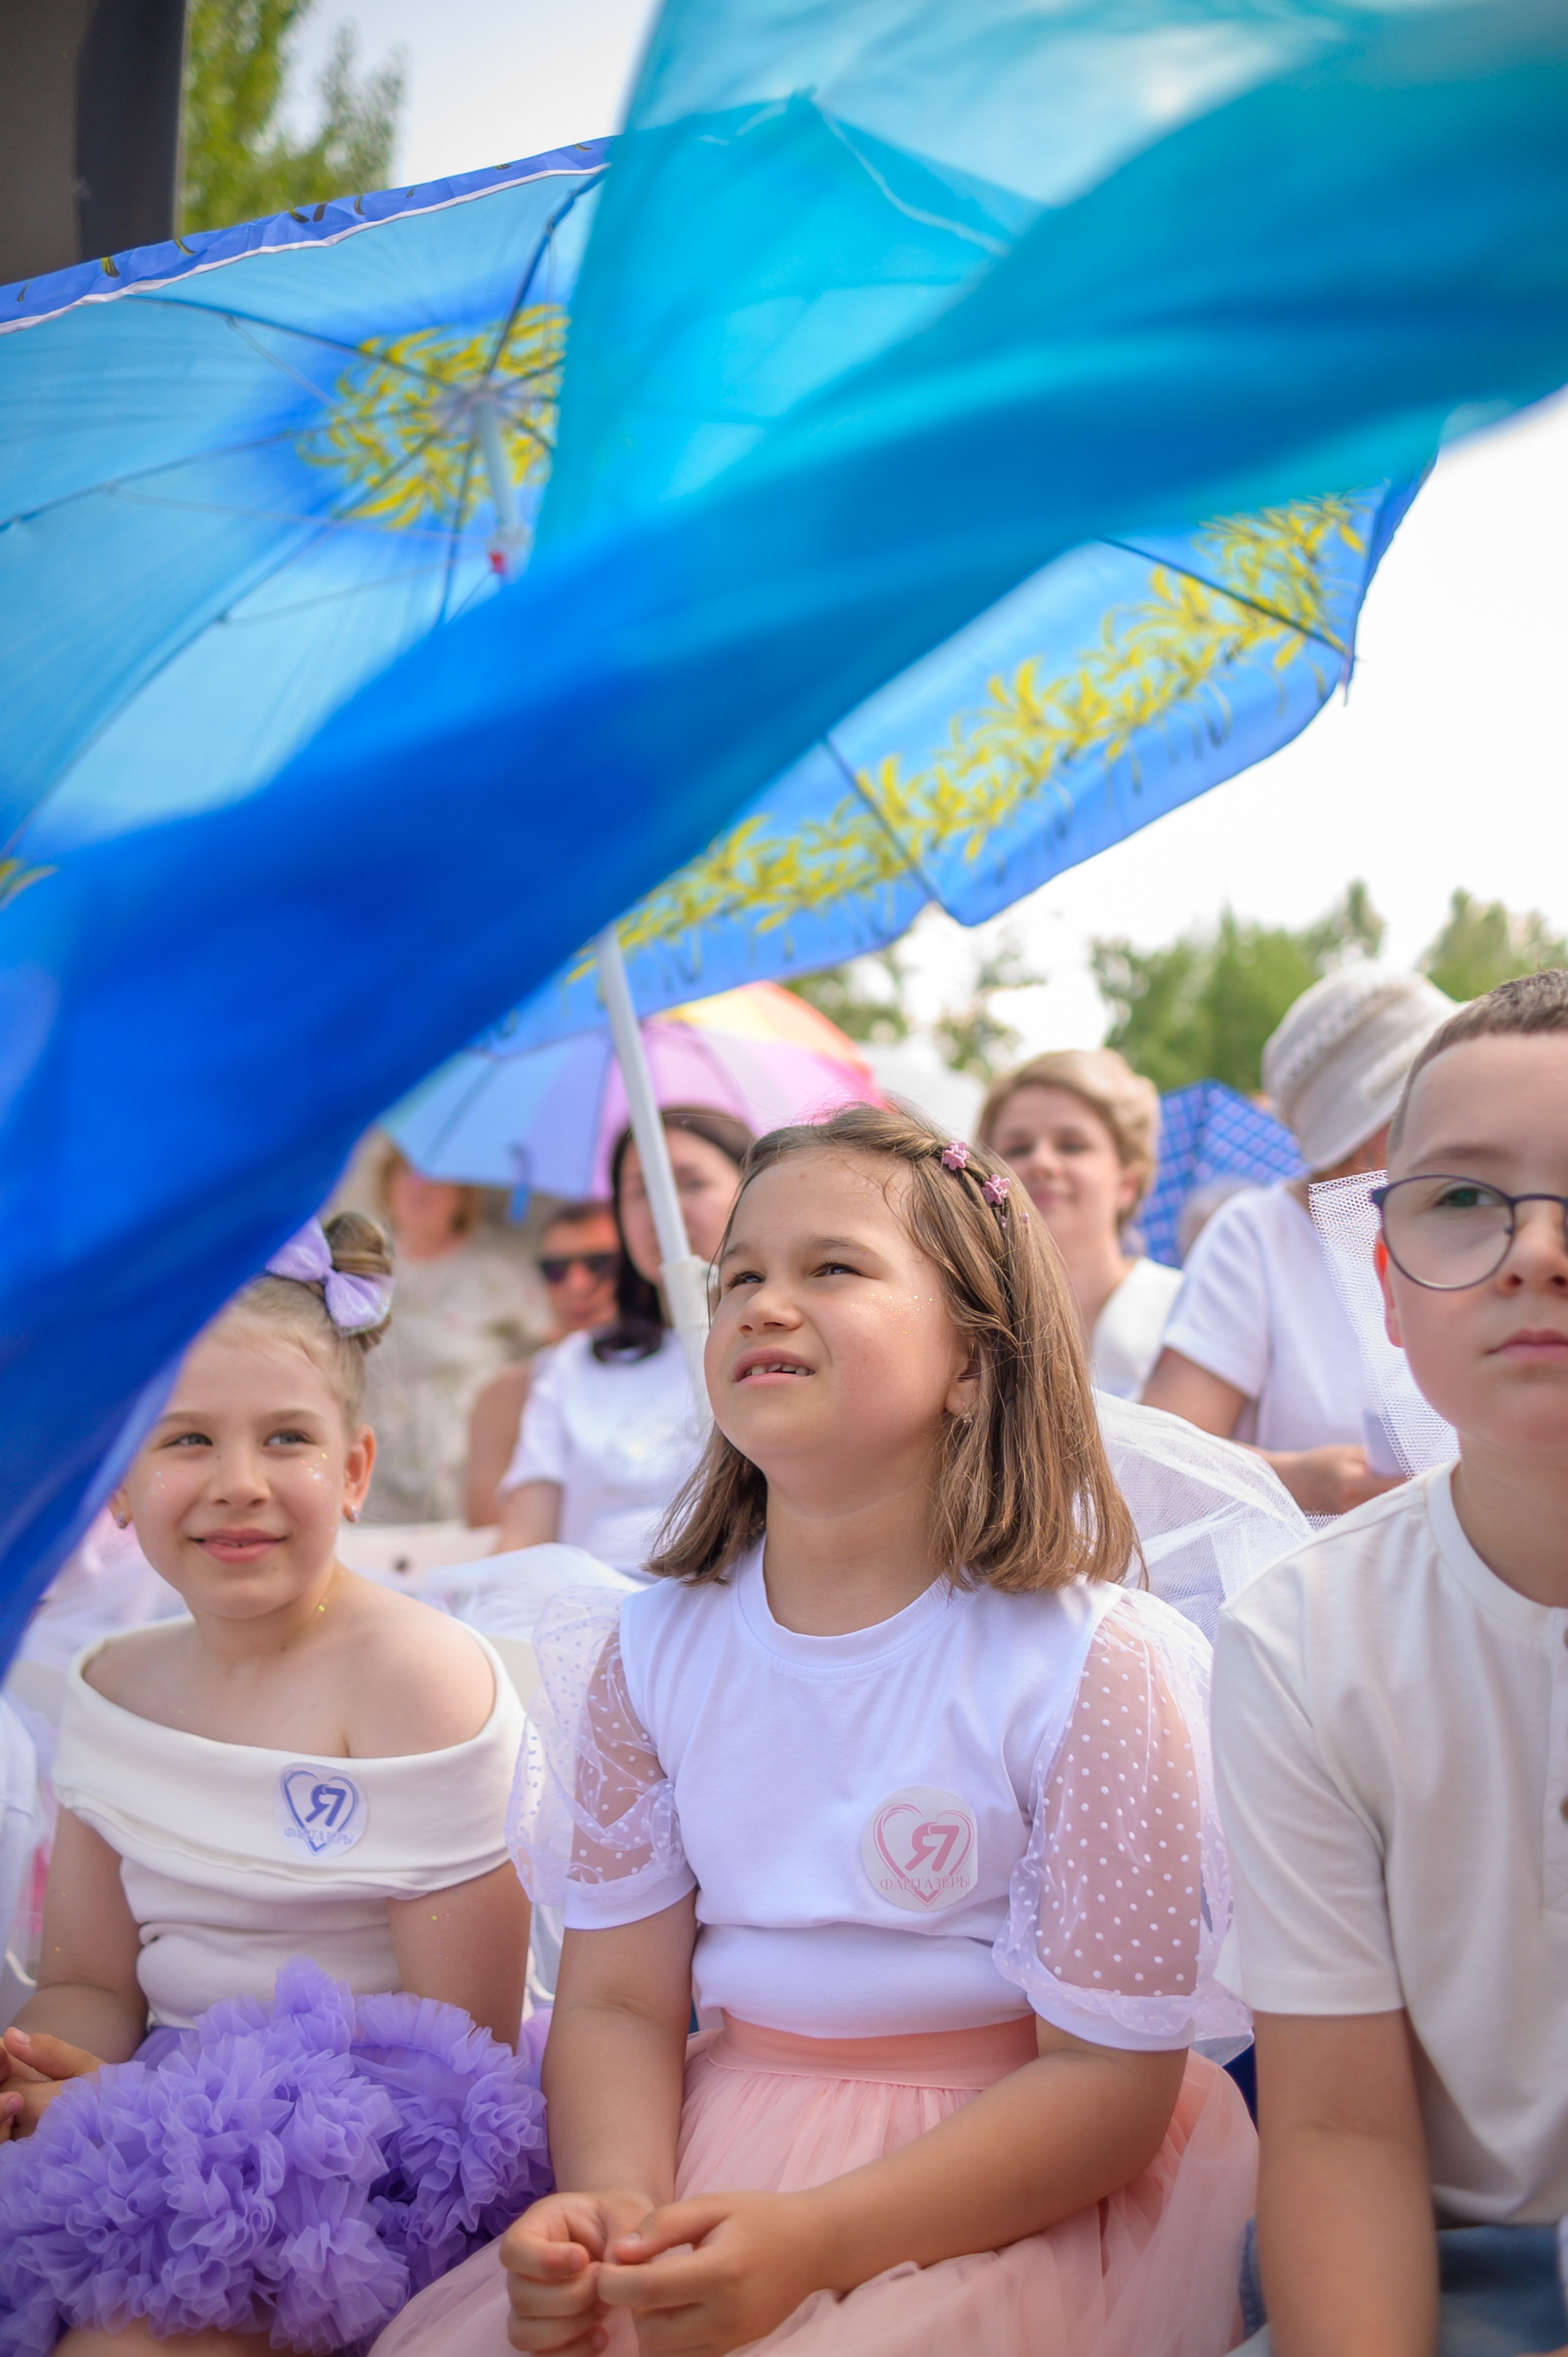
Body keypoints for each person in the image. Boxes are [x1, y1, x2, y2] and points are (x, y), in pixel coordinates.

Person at [374, 1105, 1254, 2357]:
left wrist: (817, 2244)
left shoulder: (1087, 1665)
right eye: (739, 1276)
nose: (762, 1304)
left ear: (970, 1358)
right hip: (711, 2145)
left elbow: (1106, 2086)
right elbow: (622, 2004)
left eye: (829, 1267)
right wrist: (618, 2209)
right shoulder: (645, 1653)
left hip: (1000, 2187)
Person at [0, 1214, 551, 2356]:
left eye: (287, 1439)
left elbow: (460, 2052)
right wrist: (38, 2073)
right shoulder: (117, 1687)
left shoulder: (414, 1680)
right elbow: (95, 1983)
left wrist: (127, 2118)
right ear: (119, 1482)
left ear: (353, 1470)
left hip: (372, 2174)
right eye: (186, 1440)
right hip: (147, 2130)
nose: (237, 1484)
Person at [1212, 969, 1568, 2357]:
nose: (1532, 1249)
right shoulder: (1302, 1635)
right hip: (1448, 2261)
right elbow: (1336, 2119)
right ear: (1386, 1288)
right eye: (1461, 1198)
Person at [1144, 966, 1456, 1515]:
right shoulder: (1259, 1235)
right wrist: (1297, 1480)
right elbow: (1161, 1461)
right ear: (1369, 1131)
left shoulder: (1474, 1222)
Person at [493, 1107, 752, 1575]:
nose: (664, 1209)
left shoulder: (780, 1346)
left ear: (752, 1193)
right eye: (642, 1191)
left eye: (690, 1183)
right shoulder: (578, 1364)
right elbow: (525, 1538)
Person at [979, 1048, 1183, 1399]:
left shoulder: (1184, 1313)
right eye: (1018, 1149)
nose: (1041, 1162)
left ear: (1127, 1183)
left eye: (1072, 1146)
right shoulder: (970, 1319)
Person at [364, 1147, 550, 1525]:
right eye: (405, 1173)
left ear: (462, 1194)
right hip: (372, 1474)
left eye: (436, 1175)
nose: (419, 1187)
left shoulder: (497, 1268)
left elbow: (557, 1345)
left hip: (461, 1474)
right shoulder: (356, 1264)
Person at [464, 1201, 620, 1528]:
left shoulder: (689, 1366)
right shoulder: (505, 1396)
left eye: (599, 1264)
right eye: (555, 1270)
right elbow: (489, 1532)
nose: (576, 1285)